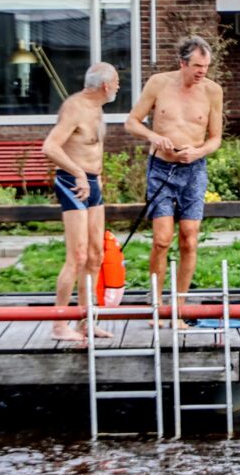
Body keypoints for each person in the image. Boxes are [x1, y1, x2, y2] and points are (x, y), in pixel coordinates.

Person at [124, 36, 223, 314]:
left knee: (189, 237)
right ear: (182, 63)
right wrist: (154, 137)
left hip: (193, 169)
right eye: (197, 66)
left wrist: (199, 151)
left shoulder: (213, 91)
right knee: (162, 239)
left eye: (206, 66)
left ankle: (179, 306)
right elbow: (131, 122)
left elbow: (216, 139)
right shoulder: (158, 83)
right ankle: (156, 302)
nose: (202, 72)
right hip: (161, 169)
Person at [42, 62, 120, 341]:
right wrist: (78, 173)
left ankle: (86, 321)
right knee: (78, 256)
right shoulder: (75, 107)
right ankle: (60, 324)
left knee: (96, 254)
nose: (119, 87)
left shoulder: (96, 108)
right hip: (72, 182)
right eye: (117, 82)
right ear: (105, 86)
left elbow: (89, 148)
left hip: (92, 183)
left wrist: (95, 176)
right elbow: (50, 146)